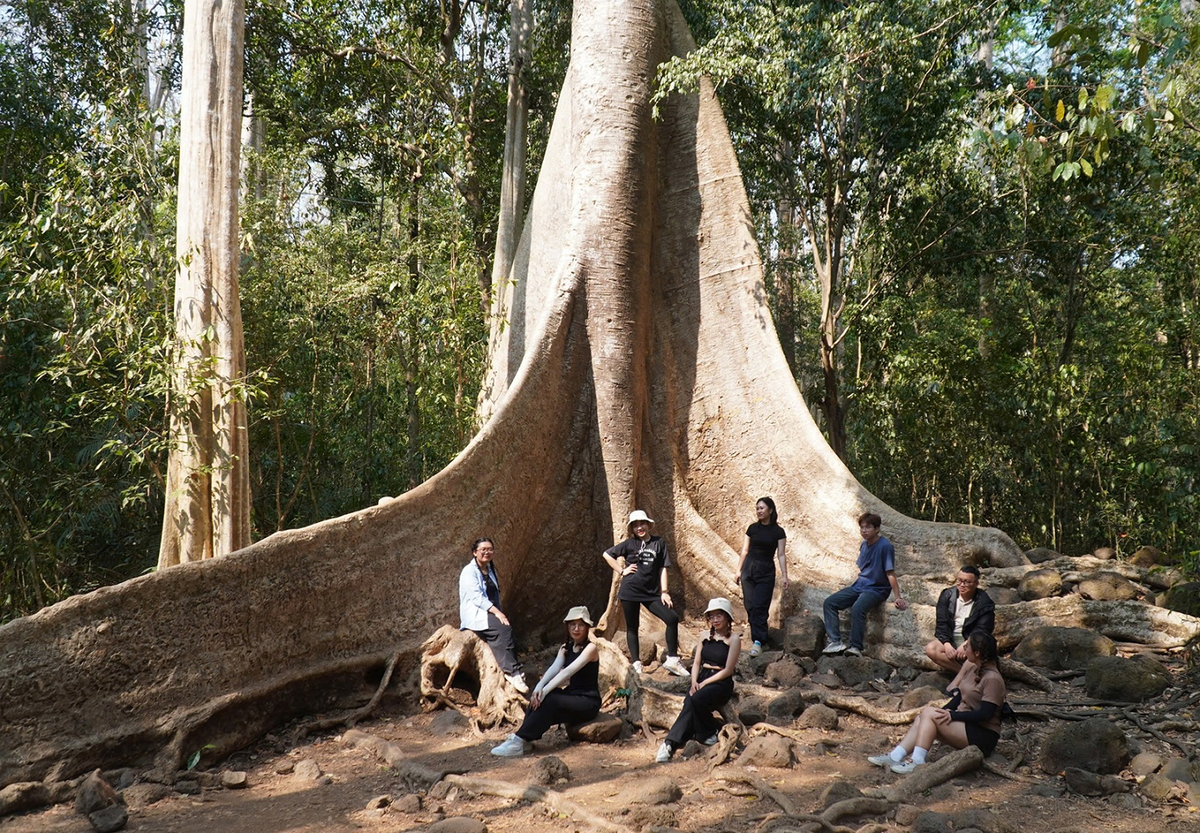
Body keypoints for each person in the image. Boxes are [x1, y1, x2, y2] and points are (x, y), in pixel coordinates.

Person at [868, 630, 1005, 773]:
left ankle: (917, 761)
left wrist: (953, 716)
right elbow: (960, 697)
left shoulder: (993, 679)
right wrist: (945, 710)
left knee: (929, 714)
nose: (964, 650)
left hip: (983, 735)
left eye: (967, 646)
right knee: (924, 716)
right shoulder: (972, 667)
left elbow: (985, 714)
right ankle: (896, 756)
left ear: (977, 653)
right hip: (966, 724)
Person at [491, 606, 601, 757]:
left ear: (587, 627)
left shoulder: (591, 649)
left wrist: (545, 691)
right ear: (567, 626)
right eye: (572, 624)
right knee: (539, 697)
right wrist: (539, 688)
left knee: (550, 699)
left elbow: (568, 671)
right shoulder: (565, 648)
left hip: (588, 701)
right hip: (573, 694)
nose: (576, 629)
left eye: (581, 625)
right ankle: (524, 740)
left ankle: (519, 740)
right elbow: (554, 669)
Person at [602, 510, 688, 676]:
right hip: (630, 591)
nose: (639, 527)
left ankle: (672, 659)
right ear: (632, 528)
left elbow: (663, 567)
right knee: (632, 627)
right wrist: (622, 571)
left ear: (648, 524)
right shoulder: (629, 544)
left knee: (672, 618)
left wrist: (664, 592)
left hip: (651, 593)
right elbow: (607, 554)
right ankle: (636, 663)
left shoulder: (659, 542)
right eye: (635, 525)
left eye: (642, 523)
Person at [656, 597, 742, 762]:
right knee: (689, 703)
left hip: (721, 682)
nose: (715, 620)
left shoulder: (734, 640)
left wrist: (703, 684)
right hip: (702, 676)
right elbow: (696, 662)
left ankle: (700, 734)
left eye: (719, 615)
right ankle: (674, 743)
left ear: (727, 617)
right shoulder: (704, 635)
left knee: (696, 698)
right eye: (711, 616)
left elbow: (728, 670)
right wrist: (694, 681)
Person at [822, 512, 907, 656]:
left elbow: (890, 573)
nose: (864, 530)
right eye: (862, 528)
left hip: (877, 589)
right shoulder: (864, 545)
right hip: (859, 586)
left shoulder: (885, 546)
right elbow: (863, 568)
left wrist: (898, 596)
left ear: (877, 529)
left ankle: (856, 647)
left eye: (868, 527)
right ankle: (835, 641)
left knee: (858, 608)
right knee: (830, 602)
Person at [459, 537, 527, 693]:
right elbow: (477, 598)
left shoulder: (490, 569)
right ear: (475, 552)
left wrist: (498, 613)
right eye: (483, 549)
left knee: (508, 632)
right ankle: (511, 672)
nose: (487, 552)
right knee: (503, 630)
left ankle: (512, 667)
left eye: (490, 549)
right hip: (476, 613)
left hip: (489, 612)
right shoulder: (469, 572)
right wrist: (498, 613)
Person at [735, 497, 788, 657]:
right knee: (750, 605)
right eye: (757, 508)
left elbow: (781, 555)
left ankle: (759, 641)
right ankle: (761, 640)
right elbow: (745, 550)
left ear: (770, 510)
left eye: (762, 508)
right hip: (749, 568)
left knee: (760, 606)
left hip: (766, 570)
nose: (759, 511)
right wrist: (738, 570)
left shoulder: (778, 532)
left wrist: (785, 575)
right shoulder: (752, 529)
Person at [924, 566, 995, 673]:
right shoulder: (947, 595)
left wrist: (967, 644)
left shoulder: (984, 602)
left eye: (967, 582)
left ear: (976, 583)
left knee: (980, 649)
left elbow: (984, 629)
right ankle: (964, 672)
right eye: (959, 580)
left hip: (971, 640)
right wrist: (947, 644)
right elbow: (942, 623)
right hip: (951, 638)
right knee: (931, 649)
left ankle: (970, 672)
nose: (962, 585)